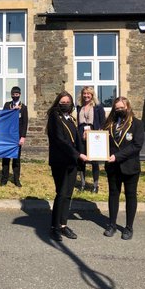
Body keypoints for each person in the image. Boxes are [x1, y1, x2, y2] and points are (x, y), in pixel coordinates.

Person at [46, 91, 87, 241]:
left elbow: (76, 140)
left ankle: (63, 225)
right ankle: (54, 227)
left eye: (67, 102)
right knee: (61, 194)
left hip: (72, 162)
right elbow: (60, 140)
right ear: (58, 103)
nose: (65, 104)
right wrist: (78, 154)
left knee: (68, 195)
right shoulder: (54, 117)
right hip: (60, 162)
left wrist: (83, 155)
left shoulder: (70, 119)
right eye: (62, 102)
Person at [103, 96, 144, 240]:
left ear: (128, 107)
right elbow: (101, 140)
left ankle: (128, 228)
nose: (119, 110)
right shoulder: (109, 123)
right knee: (113, 194)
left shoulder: (137, 124)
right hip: (113, 167)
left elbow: (136, 146)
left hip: (130, 166)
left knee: (130, 195)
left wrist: (117, 156)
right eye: (117, 108)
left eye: (122, 108)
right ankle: (112, 224)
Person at [76, 86, 106, 193]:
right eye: (84, 93)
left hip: (94, 136)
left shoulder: (98, 107)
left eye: (88, 94)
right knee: (81, 160)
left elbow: (103, 123)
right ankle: (82, 184)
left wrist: (99, 136)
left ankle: (95, 185)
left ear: (92, 95)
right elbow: (78, 123)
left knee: (94, 161)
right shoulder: (79, 107)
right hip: (81, 135)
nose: (86, 96)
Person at [0, 86, 28, 187]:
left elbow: (25, 123)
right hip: (7, 136)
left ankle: (16, 179)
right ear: (11, 95)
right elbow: (3, 117)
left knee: (16, 159)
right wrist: (12, 111)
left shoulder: (23, 107)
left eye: (17, 94)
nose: (15, 96)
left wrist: (23, 137)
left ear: (20, 95)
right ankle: (4, 179)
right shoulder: (7, 105)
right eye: (13, 94)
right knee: (6, 158)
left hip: (17, 137)